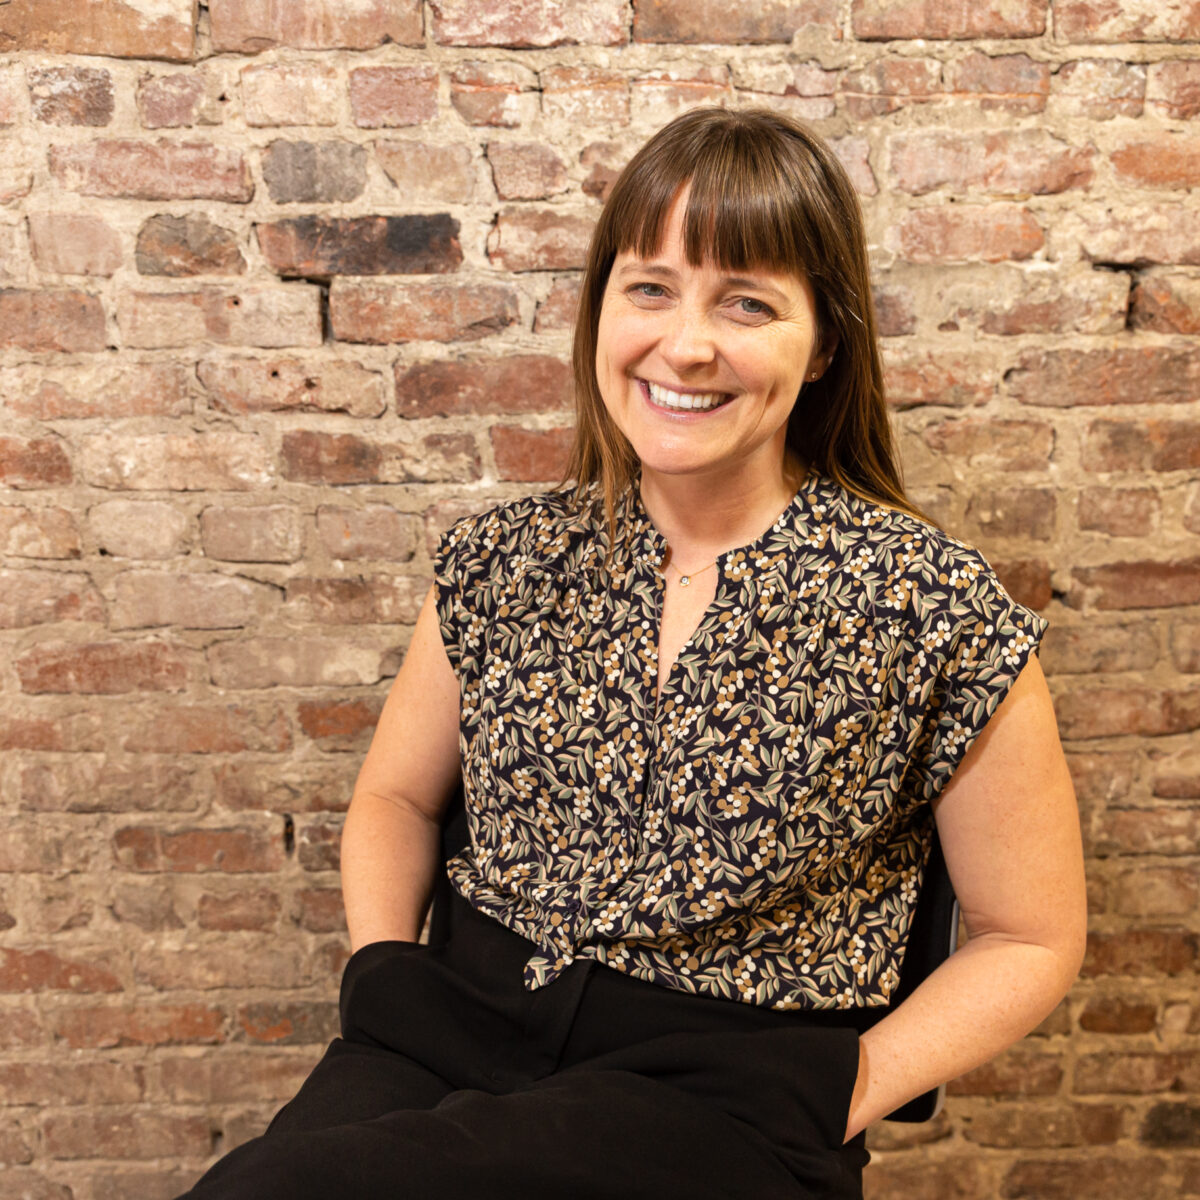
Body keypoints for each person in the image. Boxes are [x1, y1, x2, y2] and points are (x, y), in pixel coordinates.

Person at [177, 107, 1087, 1200]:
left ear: (826, 343)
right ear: (602, 308)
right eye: (649, 288)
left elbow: (1030, 936)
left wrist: (832, 1088)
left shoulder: (932, 608)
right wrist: (383, 971)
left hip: (720, 1095)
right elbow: (396, 800)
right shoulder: (502, 558)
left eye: (747, 303)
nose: (687, 344)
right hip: (441, 1037)